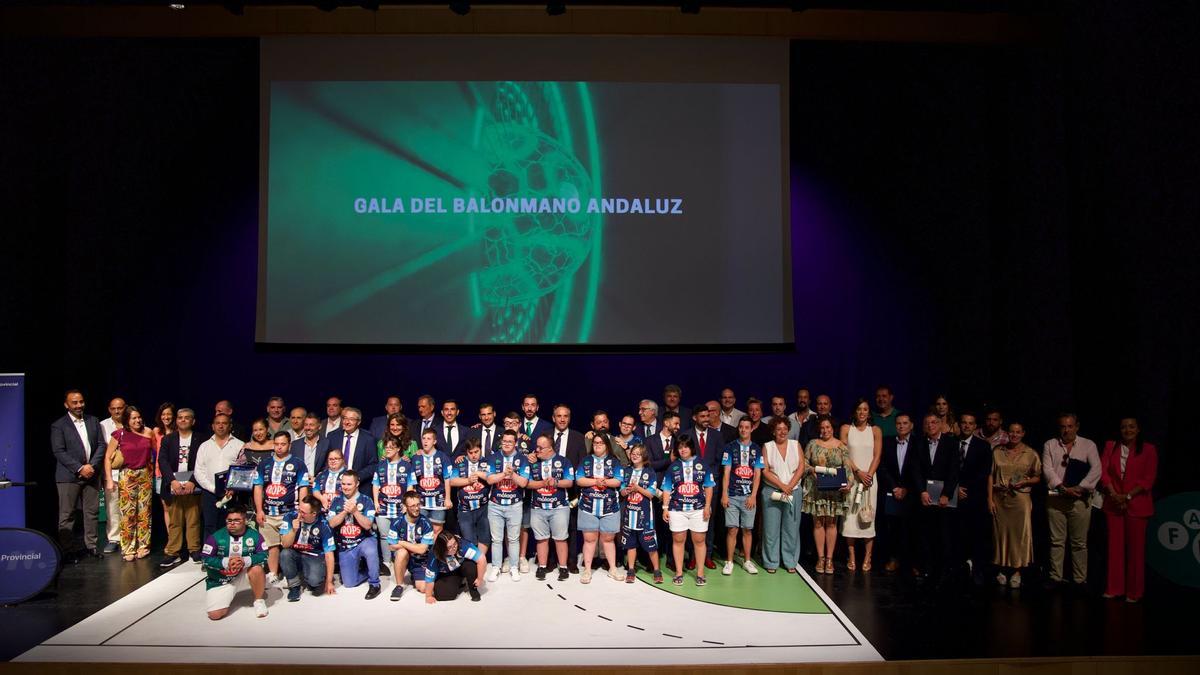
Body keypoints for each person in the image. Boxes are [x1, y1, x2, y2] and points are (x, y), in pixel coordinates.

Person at [1099, 417, 1157, 602]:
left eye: (1132, 426)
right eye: (1124, 427)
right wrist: (1114, 494)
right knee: (1114, 549)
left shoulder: (1148, 449)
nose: (1127, 430)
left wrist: (1128, 496)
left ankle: (1134, 592)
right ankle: (1114, 588)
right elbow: (1103, 471)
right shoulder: (1111, 446)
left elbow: (1148, 478)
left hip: (1137, 504)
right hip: (1113, 503)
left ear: (1138, 429)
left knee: (1136, 551)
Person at [1042, 413, 1101, 588]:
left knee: (1079, 543)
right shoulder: (1050, 444)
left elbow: (1096, 469)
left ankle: (1079, 580)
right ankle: (1055, 578)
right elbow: (1047, 469)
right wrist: (1061, 486)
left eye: (1070, 426)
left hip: (1079, 498)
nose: (1066, 430)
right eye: (1063, 427)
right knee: (1056, 541)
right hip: (1056, 497)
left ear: (1076, 426)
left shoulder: (1088, 444)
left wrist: (1080, 487)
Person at [50, 389, 105, 560]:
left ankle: (92, 546)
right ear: (67, 405)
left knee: (92, 512)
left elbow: (101, 445)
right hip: (68, 477)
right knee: (67, 515)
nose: (79, 405)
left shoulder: (93, 420)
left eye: (81, 401)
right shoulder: (59, 425)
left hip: (92, 474)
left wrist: (92, 466)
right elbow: (59, 451)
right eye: (74, 402)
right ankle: (69, 550)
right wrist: (80, 468)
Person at [987, 422, 1041, 589]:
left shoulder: (1030, 453)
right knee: (1001, 534)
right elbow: (990, 475)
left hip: (1020, 499)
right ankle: (1001, 568)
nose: (1014, 435)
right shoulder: (997, 451)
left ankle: (1017, 570)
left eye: (1018, 432)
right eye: (1012, 432)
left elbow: (1037, 476)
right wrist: (989, 499)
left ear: (1023, 433)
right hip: (1000, 498)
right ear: (1007, 433)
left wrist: (1026, 481)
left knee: (1019, 535)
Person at [253, 431, 310, 587]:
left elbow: (303, 488)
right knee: (271, 546)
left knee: (290, 546)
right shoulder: (264, 464)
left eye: (283, 444)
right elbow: (258, 488)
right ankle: (272, 573)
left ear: (289, 445)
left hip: (289, 513)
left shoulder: (298, 463)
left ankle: (290, 574)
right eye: (276, 444)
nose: (279, 447)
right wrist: (259, 510)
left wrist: (301, 511)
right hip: (268, 514)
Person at [660, 436, 715, 586]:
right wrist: (665, 508)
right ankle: (679, 573)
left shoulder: (702, 464)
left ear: (691, 447)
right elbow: (666, 488)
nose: (683, 449)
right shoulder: (673, 466)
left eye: (685, 446)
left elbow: (709, 486)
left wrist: (707, 506)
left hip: (698, 509)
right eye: (680, 447)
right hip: (677, 509)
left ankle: (700, 573)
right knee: (678, 540)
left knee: (699, 540)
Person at [914, 413, 960, 582]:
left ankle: (944, 569)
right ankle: (927, 567)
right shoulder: (919, 443)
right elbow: (916, 470)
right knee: (925, 533)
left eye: (934, 422)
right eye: (928, 423)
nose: (931, 425)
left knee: (943, 534)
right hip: (925, 497)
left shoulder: (951, 443)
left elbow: (954, 471)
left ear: (941, 424)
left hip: (943, 498)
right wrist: (922, 491)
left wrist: (946, 494)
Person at [104, 406, 154, 562]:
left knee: (144, 512)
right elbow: (107, 457)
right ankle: (128, 548)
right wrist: (110, 480)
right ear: (127, 420)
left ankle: (143, 546)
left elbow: (154, 455)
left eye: (139, 417)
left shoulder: (148, 432)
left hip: (145, 473)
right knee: (127, 513)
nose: (137, 420)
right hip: (127, 475)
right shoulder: (120, 434)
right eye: (133, 418)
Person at [202, 504, 269, 620]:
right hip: (221, 579)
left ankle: (259, 601)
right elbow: (205, 559)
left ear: (245, 520)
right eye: (229, 520)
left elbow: (264, 554)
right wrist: (225, 563)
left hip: (244, 573)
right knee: (215, 615)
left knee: (257, 569)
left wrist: (245, 561)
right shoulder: (215, 537)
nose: (232, 524)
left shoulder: (255, 536)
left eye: (237, 520)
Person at [802, 415, 849, 575]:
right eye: (822, 428)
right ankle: (820, 557)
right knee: (817, 523)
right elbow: (804, 463)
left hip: (834, 492)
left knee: (831, 523)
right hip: (817, 489)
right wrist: (812, 471)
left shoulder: (841, 446)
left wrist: (847, 483)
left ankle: (829, 559)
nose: (825, 430)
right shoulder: (812, 444)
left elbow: (847, 468)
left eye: (828, 427)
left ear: (832, 428)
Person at [577, 433, 626, 583]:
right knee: (589, 539)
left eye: (601, 443)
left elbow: (618, 481)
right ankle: (587, 570)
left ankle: (612, 569)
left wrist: (604, 482)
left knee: (608, 540)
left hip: (609, 507)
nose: (597, 445)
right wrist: (596, 481)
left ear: (607, 445)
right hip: (587, 506)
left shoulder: (614, 461)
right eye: (595, 443)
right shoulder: (585, 460)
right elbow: (579, 480)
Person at [527, 432, 575, 582]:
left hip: (559, 507)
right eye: (537, 447)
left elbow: (570, 482)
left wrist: (556, 483)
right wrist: (542, 483)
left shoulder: (564, 462)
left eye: (541, 448)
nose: (537, 450)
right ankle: (542, 566)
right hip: (538, 507)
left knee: (560, 538)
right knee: (541, 539)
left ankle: (563, 568)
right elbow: (527, 483)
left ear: (550, 449)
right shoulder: (533, 462)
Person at [158, 408, 203, 567]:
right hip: (174, 486)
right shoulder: (168, 439)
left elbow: (202, 462)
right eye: (180, 418)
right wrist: (172, 481)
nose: (183, 420)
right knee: (175, 520)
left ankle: (194, 550)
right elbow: (162, 461)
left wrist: (193, 480)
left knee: (193, 519)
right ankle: (173, 552)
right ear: (176, 421)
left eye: (187, 418)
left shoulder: (201, 439)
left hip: (192, 485)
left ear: (193, 421)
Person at [841, 399, 882, 573]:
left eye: (865, 409)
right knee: (850, 518)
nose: (862, 412)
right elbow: (844, 454)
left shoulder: (875, 430)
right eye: (859, 409)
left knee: (867, 516)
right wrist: (858, 472)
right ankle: (851, 556)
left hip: (869, 480)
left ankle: (868, 556)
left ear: (869, 412)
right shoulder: (846, 429)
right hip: (852, 478)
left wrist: (869, 476)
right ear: (854, 412)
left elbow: (877, 456)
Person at [327, 472, 382, 599]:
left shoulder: (366, 500)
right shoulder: (336, 501)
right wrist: (344, 512)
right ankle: (367, 570)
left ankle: (374, 583)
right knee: (348, 583)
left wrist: (355, 511)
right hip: (346, 545)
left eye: (349, 484)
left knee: (371, 550)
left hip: (364, 540)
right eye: (343, 484)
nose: (345, 487)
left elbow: (368, 525)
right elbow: (331, 523)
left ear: (357, 484)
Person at [485, 430, 530, 581]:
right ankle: (496, 567)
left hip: (515, 504)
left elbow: (523, 483)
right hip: (495, 504)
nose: (506, 444)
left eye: (510, 442)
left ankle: (513, 567)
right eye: (504, 441)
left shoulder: (522, 459)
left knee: (513, 539)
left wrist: (513, 475)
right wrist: (504, 474)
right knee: (496, 539)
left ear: (516, 443)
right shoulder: (494, 457)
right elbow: (490, 480)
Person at [722, 416, 764, 575]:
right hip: (732, 495)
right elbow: (726, 473)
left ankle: (747, 561)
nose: (744, 430)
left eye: (747, 427)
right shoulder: (730, 447)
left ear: (751, 428)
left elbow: (758, 475)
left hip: (748, 498)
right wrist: (725, 495)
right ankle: (729, 561)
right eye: (741, 427)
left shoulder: (757, 449)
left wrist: (753, 495)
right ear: (738, 428)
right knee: (732, 529)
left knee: (747, 529)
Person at [956, 412, 994, 584]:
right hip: (954, 496)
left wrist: (967, 489)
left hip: (975, 497)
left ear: (975, 426)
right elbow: (946, 469)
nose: (966, 426)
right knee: (958, 535)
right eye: (964, 422)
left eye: (970, 423)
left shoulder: (983, 446)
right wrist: (955, 488)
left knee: (976, 535)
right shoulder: (950, 443)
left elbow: (984, 473)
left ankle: (977, 569)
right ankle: (959, 569)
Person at [878, 414, 919, 574]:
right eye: (898, 423)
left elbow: (919, 469)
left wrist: (906, 488)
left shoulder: (918, 444)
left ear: (911, 425)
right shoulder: (888, 442)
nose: (901, 426)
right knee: (892, 528)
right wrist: (894, 487)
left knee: (912, 529)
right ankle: (893, 558)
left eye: (905, 423)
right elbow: (883, 467)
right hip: (892, 492)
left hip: (912, 492)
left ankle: (912, 562)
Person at [194, 413, 246, 539]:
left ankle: (230, 555)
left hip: (232, 494)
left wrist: (233, 488)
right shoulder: (204, 446)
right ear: (213, 426)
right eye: (218, 423)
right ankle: (209, 556)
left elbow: (243, 471)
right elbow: (198, 471)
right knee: (209, 525)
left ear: (230, 426)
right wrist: (213, 488)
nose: (221, 426)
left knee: (232, 525)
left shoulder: (240, 445)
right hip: (209, 492)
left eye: (224, 423)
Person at [278, 494, 336, 602]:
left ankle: (307, 575)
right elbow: (285, 545)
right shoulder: (290, 517)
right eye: (299, 510)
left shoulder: (324, 525)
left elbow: (329, 555)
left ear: (314, 513)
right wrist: (293, 530)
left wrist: (329, 582)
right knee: (285, 554)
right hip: (295, 553)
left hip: (314, 556)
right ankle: (294, 586)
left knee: (315, 582)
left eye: (303, 513)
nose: (299, 514)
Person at [620, 442, 663, 584]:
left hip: (645, 517)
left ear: (644, 456)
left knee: (651, 546)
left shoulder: (650, 472)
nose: (635, 456)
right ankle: (631, 570)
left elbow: (651, 494)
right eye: (633, 453)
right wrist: (627, 491)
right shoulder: (626, 471)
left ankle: (657, 570)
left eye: (638, 454)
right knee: (631, 545)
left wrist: (637, 488)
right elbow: (622, 491)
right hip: (629, 515)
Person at [373, 435, 413, 576]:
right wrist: (376, 502)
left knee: (399, 536)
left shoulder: (406, 465)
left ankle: (399, 560)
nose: (387, 449)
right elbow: (376, 485)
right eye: (386, 447)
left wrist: (406, 504)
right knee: (384, 536)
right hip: (383, 507)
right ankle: (386, 562)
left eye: (391, 447)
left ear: (398, 449)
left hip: (399, 508)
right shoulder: (381, 465)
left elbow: (410, 485)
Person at [386, 491, 435, 600]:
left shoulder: (426, 523)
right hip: (406, 556)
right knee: (401, 552)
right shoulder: (396, 522)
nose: (417, 508)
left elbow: (422, 549)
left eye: (418, 505)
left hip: (421, 560)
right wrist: (412, 547)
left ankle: (416, 574)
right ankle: (399, 586)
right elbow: (391, 546)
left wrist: (402, 542)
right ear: (405, 507)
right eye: (412, 506)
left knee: (423, 588)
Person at [318, 407, 375, 493]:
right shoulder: (332, 436)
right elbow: (327, 460)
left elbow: (373, 464)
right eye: (345, 418)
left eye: (351, 419)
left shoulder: (368, 439)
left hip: (360, 487)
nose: (347, 422)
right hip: (334, 486)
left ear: (358, 422)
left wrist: (356, 477)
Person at [450, 437, 491, 552]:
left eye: (476, 452)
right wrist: (468, 481)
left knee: (484, 538)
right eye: (470, 452)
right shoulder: (460, 462)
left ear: (481, 450)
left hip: (484, 508)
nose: (473, 455)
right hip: (465, 509)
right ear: (466, 452)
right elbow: (452, 481)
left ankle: (481, 562)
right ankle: (473, 564)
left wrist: (480, 475)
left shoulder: (487, 462)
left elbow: (492, 479)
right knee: (468, 539)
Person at [409, 428, 453, 535]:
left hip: (439, 501)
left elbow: (447, 479)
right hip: (421, 502)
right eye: (423, 438)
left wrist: (448, 499)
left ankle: (434, 552)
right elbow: (412, 481)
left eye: (429, 439)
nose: (425, 441)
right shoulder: (416, 457)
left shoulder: (442, 457)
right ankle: (423, 551)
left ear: (434, 441)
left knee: (437, 530)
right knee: (421, 530)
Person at [423, 531, 487, 603]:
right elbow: (430, 577)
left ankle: (473, 591)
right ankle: (459, 582)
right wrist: (428, 596)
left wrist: (480, 578)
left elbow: (482, 559)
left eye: (454, 544)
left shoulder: (462, 544)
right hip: (447, 573)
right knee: (441, 595)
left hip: (462, 566)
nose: (454, 548)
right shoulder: (434, 554)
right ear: (442, 548)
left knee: (471, 567)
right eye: (449, 547)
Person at [99, 397, 126, 554]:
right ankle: (114, 539)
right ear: (109, 409)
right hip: (112, 473)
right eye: (114, 408)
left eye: (120, 408)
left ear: (125, 408)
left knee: (130, 508)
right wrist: (107, 475)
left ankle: (130, 538)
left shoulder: (132, 422)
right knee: (112, 507)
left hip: (130, 473)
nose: (117, 411)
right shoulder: (103, 425)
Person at [150, 402, 176, 533]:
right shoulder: (156, 431)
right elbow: (156, 451)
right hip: (161, 474)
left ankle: (179, 538)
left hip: (177, 474)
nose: (166, 417)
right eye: (163, 414)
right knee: (166, 507)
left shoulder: (179, 431)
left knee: (178, 507)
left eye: (169, 414)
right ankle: (171, 539)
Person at [292, 413, 323, 479]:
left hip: (318, 484)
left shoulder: (326, 443)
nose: (308, 428)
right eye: (306, 425)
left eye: (311, 425)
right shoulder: (295, 445)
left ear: (319, 426)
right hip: (299, 483)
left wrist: (317, 479)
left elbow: (327, 466)